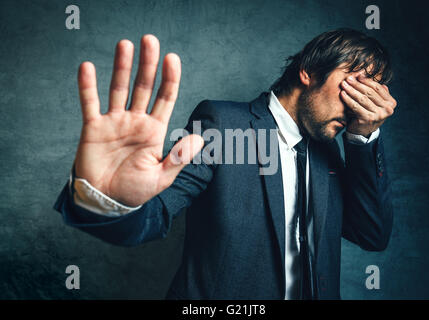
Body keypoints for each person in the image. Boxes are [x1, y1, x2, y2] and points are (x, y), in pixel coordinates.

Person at [54, 28, 396, 299]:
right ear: (308, 72)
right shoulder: (224, 125)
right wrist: (110, 198)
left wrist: (363, 138)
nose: (358, 107)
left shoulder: (330, 152)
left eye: (370, 95)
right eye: (354, 87)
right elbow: (153, 218)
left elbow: (371, 234)